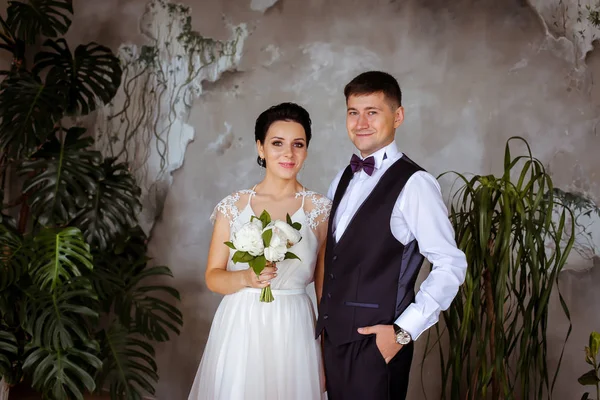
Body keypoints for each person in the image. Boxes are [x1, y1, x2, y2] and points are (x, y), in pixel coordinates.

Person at [315, 71, 468, 400]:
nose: (361, 123)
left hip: (377, 344)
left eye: (373, 112)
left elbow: (451, 264)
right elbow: (335, 258)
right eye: (353, 112)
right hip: (333, 343)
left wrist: (402, 331)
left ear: (397, 116)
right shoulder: (342, 177)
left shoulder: (415, 184)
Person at [188, 102, 332, 400]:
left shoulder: (319, 210)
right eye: (277, 143)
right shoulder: (234, 205)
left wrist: (326, 352)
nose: (288, 153)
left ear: (306, 150)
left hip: (295, 326)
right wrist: (246, 279)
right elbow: (213, 277)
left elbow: (324, 289)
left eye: (298, 144)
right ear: (260, 148)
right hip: (242, 323)